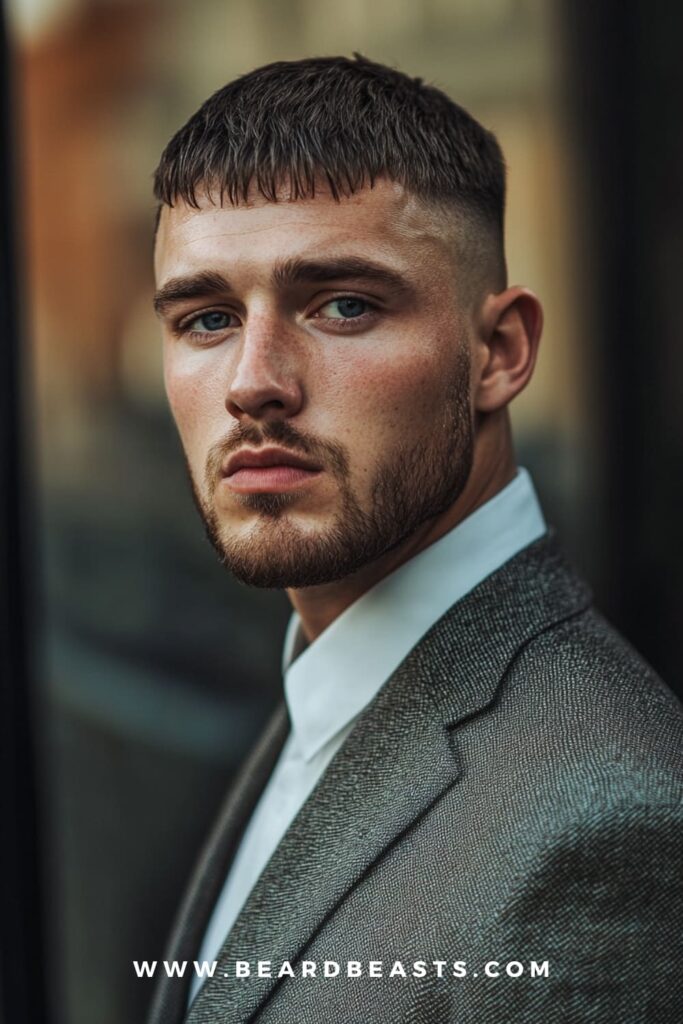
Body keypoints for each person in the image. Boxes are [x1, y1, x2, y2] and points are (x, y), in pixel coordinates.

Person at [147, 55, 682, 1024]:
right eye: (207, 317)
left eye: (343, 304)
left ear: (499, 352)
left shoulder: (606, 822)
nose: (251, 380)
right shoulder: (327, 688)